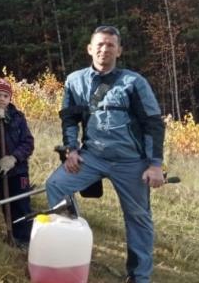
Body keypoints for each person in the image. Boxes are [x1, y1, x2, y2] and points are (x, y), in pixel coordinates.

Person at [46, 25, 165, 283]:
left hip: (131, 162)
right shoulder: (75, 81)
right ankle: (71, 253)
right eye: (99, 44)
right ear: (90, 49)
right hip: (92, 157)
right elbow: (69, 119)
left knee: (138, 218)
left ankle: (139, 276)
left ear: (119, 50)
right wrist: (71, 150)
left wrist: (155, 165)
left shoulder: (134, 82)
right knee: (56, 185)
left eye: (110, 45)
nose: (104, 49)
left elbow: (153, 123)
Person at [0, 79, 35, 248]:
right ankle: (11, 234)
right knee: (7, 204)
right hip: (0, 171)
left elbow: (28, 143)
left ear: (10, 98)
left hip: (18, 170)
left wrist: (13, 158)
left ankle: (25, 238)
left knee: (22, 204)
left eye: (5, 96)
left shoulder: (18, 117)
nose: (1, 99)